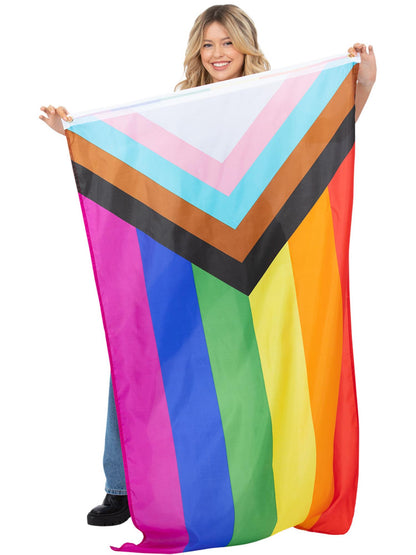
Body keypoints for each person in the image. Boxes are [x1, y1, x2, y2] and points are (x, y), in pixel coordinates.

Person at [39, 3, 377, 527]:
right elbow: (136, 163)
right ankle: (122, 488)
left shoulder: (274, 100)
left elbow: (325, 137)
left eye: (228, 42)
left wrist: (364, 82)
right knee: (139, 356)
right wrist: (75, 134)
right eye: (208, 44)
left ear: (246, 46)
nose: (218, 54)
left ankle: (258, 483)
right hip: (187, 255)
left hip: (258, 260)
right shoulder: (182, 109)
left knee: (252, 369)